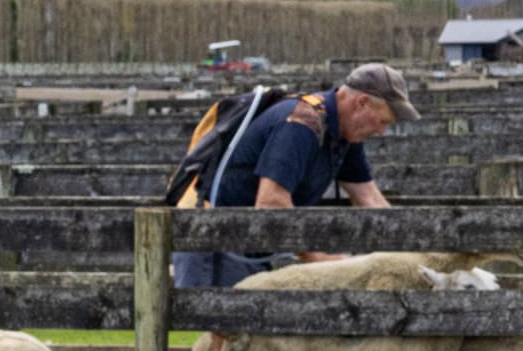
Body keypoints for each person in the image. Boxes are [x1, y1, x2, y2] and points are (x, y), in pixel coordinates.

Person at [171, 62, 416, 289]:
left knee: (250, 331)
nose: (382, 131)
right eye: (383, 121)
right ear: (361, 102)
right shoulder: (301, 123)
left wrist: (414, 253)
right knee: (222, 330)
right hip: (216, 242)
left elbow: (370, 199)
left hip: (251, 243)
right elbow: (271, 203)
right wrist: (326, 261)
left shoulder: (345, 135)